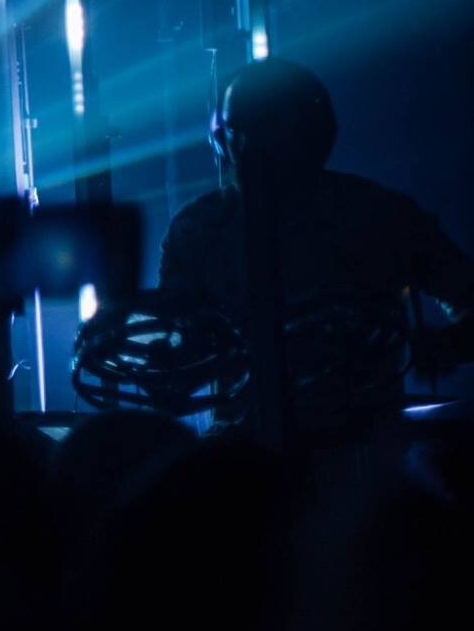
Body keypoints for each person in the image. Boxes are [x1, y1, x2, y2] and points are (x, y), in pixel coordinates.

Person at [159, 57, 474, 436]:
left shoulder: (381, 216)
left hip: (354, 450)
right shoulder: (197, 229)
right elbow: (175, 364)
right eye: (235, 129)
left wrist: (448, 345)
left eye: (262, 129)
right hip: (259, 455)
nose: (244, 145)